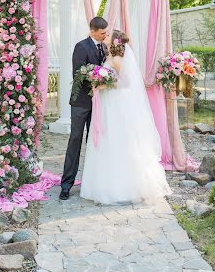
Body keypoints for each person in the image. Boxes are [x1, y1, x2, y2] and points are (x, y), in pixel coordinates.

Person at [80, 30, 171, 204]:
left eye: (108, 36)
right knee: (108, 140)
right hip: (108, 104)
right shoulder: (110, 56)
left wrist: (104, 85)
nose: (105, 37)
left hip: (114, 104)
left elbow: (127, 82)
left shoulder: (117, 59)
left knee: (116, 139)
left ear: (114, 41)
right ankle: (104, 183)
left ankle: (122, 187)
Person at [59, 16, 108, 200]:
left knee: (95, 142)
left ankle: (91, 182)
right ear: (93, 31)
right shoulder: (81, 46)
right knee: (75, 140)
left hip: (97, 102)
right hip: (80, 103)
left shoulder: (104, 47)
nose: (105, 35)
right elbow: (78, 73)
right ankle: (66, 185)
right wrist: (97, 78)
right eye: (102, 33)